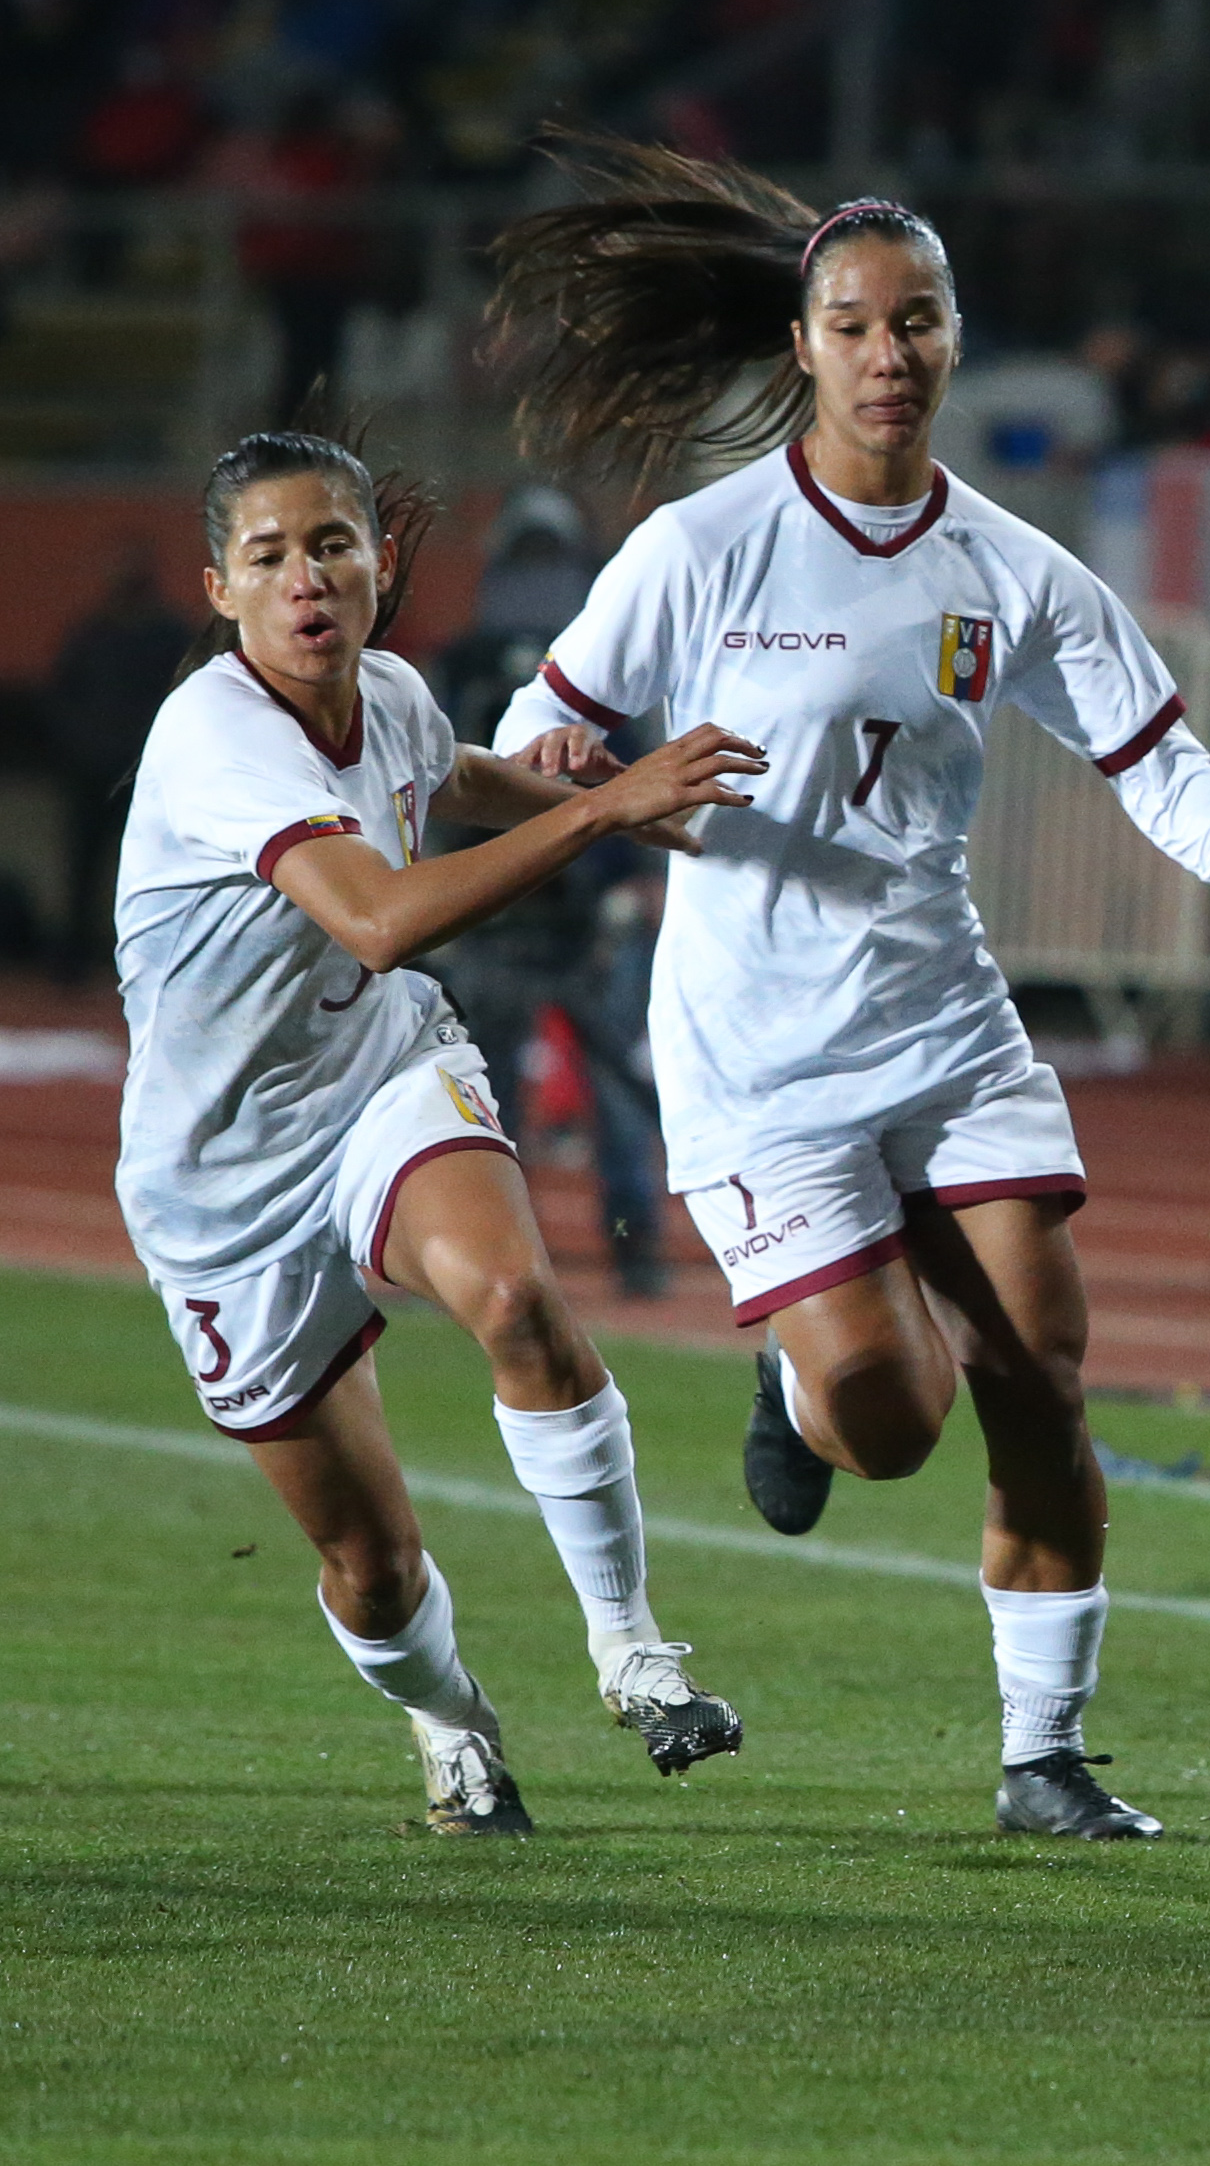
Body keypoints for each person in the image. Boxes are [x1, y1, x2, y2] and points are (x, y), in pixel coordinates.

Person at [482, 143, 1210, 1841]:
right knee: (891, 1424)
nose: (888, 350)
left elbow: (1155, 754)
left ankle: (1044, 1753)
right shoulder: (701, 546)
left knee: (1042, 1361)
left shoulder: (1014, 569)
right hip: (759, 1051)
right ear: (805, 347)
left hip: (948, 1026)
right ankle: (801, 1377)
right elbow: (541, 749)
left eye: (917, 320)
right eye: (854, 322)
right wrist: (606, 800)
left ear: (955, 341)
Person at [115, 430, 760, 1833]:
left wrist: (661, 831)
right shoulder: (214, 733)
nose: (308, 578)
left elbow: (447, 774)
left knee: (520, 1296)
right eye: (271, 555)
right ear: (219, 587)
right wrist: (604, 807)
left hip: (378, 1076)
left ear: (381, 563)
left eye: (332, 544)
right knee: (372, 1562)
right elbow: (383, 913)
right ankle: (449, 1714)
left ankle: (634, 1653)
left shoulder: (390, 692)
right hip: (221, 1179)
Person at [424, 489, 674, 1295]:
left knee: (603, 1096)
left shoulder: (587, 669)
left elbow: (630, 775)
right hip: (503, 907)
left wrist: (637, 879)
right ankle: (502, 1250)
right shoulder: (486, 666)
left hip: (563, 913)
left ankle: (625, 1246)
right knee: (490, 1093)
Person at [50, 544, 190, 980]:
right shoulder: (92, 634)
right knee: (83, 869)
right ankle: (74, 964)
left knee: (156, 871)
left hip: (147, 775)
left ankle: (156, 960)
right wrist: (80, 742)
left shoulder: (170, 636)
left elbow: (188, 694)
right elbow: (59, 695)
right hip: (91, 773)